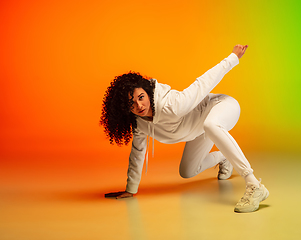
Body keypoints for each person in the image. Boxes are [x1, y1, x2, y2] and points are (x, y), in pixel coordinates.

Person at [100, 44, 269, 213]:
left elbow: (202, 83)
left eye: (141, 97)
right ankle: (224, 157)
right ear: (125, 108)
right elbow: (137, 153)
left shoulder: (172, 105)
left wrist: (232, 58)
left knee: (210, 124)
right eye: (132, 103)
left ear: (147, 92)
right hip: (200, 129)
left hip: (222, 106)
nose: (139, 105)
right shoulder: (139, 124)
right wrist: (131, 189)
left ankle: (254, 184)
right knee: (187, 171)